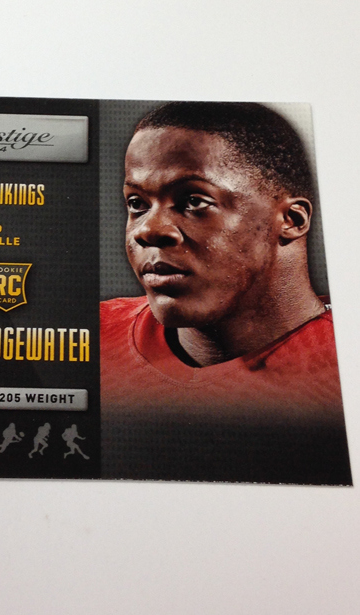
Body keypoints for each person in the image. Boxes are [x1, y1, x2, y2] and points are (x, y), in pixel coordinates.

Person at [100, 102, 351, 484]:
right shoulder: (88, 337)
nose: (148, 230)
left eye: (194, 201)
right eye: (137, 204)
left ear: (291, 220)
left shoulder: (343, 367)